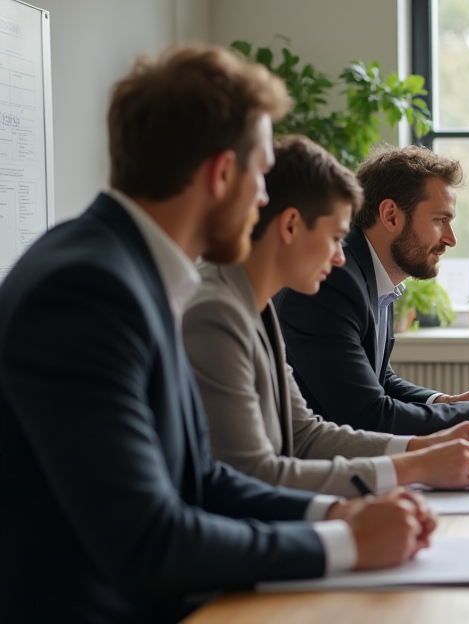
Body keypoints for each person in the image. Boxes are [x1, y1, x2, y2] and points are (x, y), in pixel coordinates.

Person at [0, 45, 433, 623]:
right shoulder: (88, 289)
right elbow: (146, 542)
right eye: (259, 174)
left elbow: (201, 480)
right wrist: (347, 544)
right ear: (221, 173)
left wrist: (338, 517)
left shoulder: (127, 270)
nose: (263, 197)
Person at [184, 135, 469, 498]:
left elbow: (303, 434)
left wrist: (421, 451)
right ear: (289, 226)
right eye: (336, 237)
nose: (340, 257)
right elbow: (251, 474)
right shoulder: (217, 312)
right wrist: (413, 466)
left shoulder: (259, 306)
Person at [274, 145, 469, 435]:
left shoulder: (370, 271)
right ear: (390, 216)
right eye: (440, 220)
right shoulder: (332, 281)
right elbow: (368, 414)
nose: (451, 239)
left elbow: (380, 379)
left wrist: (445, 402)